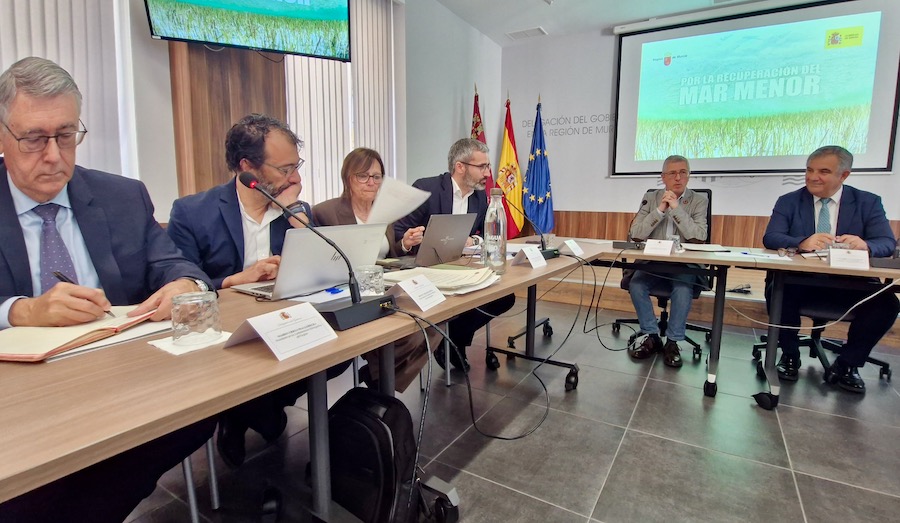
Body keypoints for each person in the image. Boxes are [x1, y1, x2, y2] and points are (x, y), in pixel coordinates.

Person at [0, 56, 216, 522]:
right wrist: (21, 311)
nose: (53, 155)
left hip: (120, 382)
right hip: (18, 403)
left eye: (66, 135)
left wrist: (184, 283)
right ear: (2, 136)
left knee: (197, 414)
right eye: (34, 138)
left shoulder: (121, 196)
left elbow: (174, 263)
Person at [167, 113, 350, 468]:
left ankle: (258, 409)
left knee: (337, 353)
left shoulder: (293, 210)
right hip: (227, 334)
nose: (295, 178)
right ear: (246, 167)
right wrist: (232, 281)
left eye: (297, 166)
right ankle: (242, 415)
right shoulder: (193, 212)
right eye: (284, 169)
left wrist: (297, 217)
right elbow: (179, 285)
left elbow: (326, 272)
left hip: (284, 323)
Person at [762, 145, 899, 393]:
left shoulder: (867, 202)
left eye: (823, 172)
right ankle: (789, 355)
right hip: (801, 281)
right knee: (777, 291)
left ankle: (848, 364)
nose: (813, 177)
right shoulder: (789, 201)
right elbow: (771, 237)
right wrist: (802, 242)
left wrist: (866, 245)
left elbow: (887, 242)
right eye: (809, 170)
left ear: (843, 175)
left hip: (852, 284)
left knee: (887, 304)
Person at [313, 147, 443, 390]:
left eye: (376, 176)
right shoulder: (325, 212)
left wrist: (404, 244)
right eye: (362, 176)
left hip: (386, 287)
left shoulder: (384, 212)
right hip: (350, 293)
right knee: (408, 330)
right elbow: (321, 261)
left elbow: (386, 253)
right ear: (347, 178)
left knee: (437, 320)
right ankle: (381, 377)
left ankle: (378, 376)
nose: (371, 182)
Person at [394, 138, 516, 371]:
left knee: (504, 297)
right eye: (482, 167)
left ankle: (452, 340)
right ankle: (450, 342)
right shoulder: (427, 189)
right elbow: (399, 233)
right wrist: (407, 242)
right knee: (465, 299)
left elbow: (483, 234)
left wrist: (474, 240)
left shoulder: (479, 197)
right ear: (460, 166)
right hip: (425, 270)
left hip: (461, 268)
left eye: (487, 166)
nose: (487, 173)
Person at [625, 155, 709, 367]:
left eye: (683, 173)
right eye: (672, 173)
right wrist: (660, 210)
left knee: (682, 289)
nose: (678, 177)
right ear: (663, 177)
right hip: (653, 262)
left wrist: (676, 208)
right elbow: (636, 234)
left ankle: (673, 341)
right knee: (636, 284)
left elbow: (699, 236)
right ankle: (652, 336)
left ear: (688, 176)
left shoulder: (699, 200)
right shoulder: (651, 197)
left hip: (684, 265)